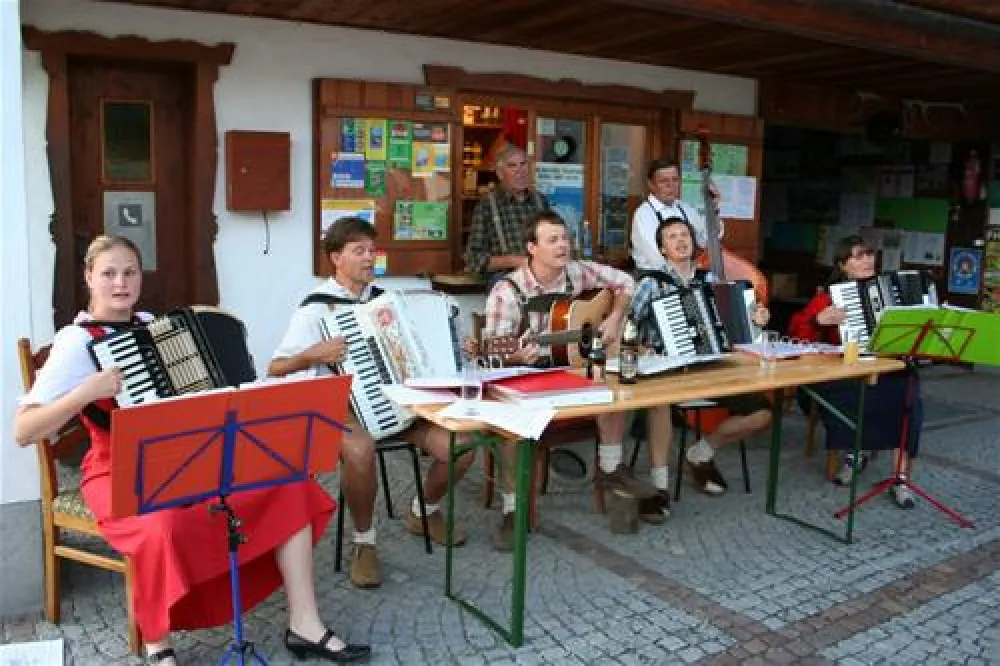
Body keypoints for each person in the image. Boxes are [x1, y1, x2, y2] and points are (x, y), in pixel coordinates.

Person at [12, 236, 370, 665]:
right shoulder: (75, 342)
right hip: (115, 468)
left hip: (184, 456)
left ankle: (305, 624)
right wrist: (85, 392)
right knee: (161, 525)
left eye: (129, 272)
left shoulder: (153, 325)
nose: (120, 282)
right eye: (108, 273)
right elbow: (24, 431)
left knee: (290, 485)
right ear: (89, 277)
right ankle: (157, 645)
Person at [269, 217, 475, 589]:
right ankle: (364, 541)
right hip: (345, 405)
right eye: (359, 251)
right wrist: (313, 354)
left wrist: (459, 349)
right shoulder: (315, 309)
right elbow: (277, 368)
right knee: (361, 451)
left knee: (462, 444)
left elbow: (420, 350)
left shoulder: (388, 301)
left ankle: (424, 510)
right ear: (336, 257)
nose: (369, 259)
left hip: (403, 401)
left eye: (372, 250)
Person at [477, 210, 656, 549]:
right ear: (532, 247)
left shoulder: (576, 272)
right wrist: (514, 355)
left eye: (565, 239)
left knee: (614, 386)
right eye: (553, 240)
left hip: (570, 372)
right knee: (512, 425)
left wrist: (615, 317)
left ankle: (610, 468)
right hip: (528, 378)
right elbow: (491, 357)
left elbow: (627, 283)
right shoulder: (507, 291)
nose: (563, 246)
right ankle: (513, 509)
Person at [630, 217, 772, 507]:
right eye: (672, 237)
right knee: (660, 404)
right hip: (666, 368)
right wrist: (639, 346)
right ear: (662, 247)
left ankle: (702, 451)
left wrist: (757, 320)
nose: (681, 241)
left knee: (763, 413)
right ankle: (659, 487)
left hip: (710, 366)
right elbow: (627, 326)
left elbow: (745, 329)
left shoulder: (713, 282)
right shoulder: (650, 283)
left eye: (685, 235)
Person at [788, 235, 922, 508]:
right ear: (843, 265)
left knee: (907, 390)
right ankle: (856, 450)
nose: (867, 260)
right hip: (845, 373)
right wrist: (818, 319)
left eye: (869, 254)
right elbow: (796, 329)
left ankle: (901, 477)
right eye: (858, 256)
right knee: (868, 392)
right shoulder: (830, 296)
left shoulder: (892, 289)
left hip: (886, 367)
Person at [464, 144, 549, 288]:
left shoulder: (540, 201)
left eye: (523, 164)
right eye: (512, 166)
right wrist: (512, 261)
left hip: (541, 277)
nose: (520, 171)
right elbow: (474, 259)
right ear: (500, 174)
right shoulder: (487, 206)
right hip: (506, 280)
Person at [630, 158, 722, 271]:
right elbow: (657, 258)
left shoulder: (685, 208)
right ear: (651, 185)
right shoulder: (643, 214)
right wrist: (694, 268)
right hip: (656, 280)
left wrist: (713, 208)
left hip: (685, 277)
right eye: (664, 181)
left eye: (675, 179)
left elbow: (706, 239)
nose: (671, 185)